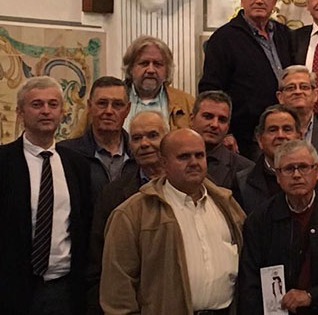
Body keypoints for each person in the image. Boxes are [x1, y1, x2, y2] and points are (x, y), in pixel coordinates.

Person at [0, 76, 94, 315]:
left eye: (53, 104)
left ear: (62, 112)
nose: (46, 111)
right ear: (21, 112)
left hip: (65, 292)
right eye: (37, 104)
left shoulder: (77, 165)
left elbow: (84, 229)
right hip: (11, 292)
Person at [100, 128, 245, 314]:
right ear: (164, 163)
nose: (194, 162)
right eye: (184, 157)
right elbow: (117, 291)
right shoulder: (132, 214)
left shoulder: (227, 206)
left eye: (199, 155)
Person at [238, 140, 318, 315]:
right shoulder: (260, 220)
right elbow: (249, 283)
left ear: (316, 172)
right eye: (288, 169)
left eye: (303, 167)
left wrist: (311, 296)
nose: (297, 175)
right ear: (278, 176)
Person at [199, 0, 294, 159]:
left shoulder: (285, 35)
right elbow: (211, 89)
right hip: (245, 138)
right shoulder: (224, 39)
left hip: (284, 133)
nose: (259, 1)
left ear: (274, 1)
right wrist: (226, 132)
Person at [86, 110, 168, 315]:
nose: (145, 144)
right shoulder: (113, 195)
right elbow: (98, 259)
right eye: (137, 138)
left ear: (168, 139)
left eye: (152, 135)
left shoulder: (184, 186)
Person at [235, 104, 318, 216]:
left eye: (287, 129)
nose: (280, 135)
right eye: (272, 130)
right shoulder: (242, 183)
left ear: (300, 137)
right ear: (260, 140)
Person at [57, 76, 135, 201]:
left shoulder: (139, 155)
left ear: (127, 109)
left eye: (117, 105)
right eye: (102, 103)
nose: (109, 111)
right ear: (89, 106)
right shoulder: (65, 153)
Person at [121, 35, 194, 130]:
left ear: (167, 70)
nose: (151, 70)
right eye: (144, 63)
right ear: (130, 68)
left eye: (157, 64)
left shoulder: (187, 103)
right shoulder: (115, 99)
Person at [189, 90, 255, 190]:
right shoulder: (171, 160)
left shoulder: (245, 170)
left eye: (222, 120)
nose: (215, 124)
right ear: (191, 119)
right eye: (208, 116)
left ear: (228, 127)